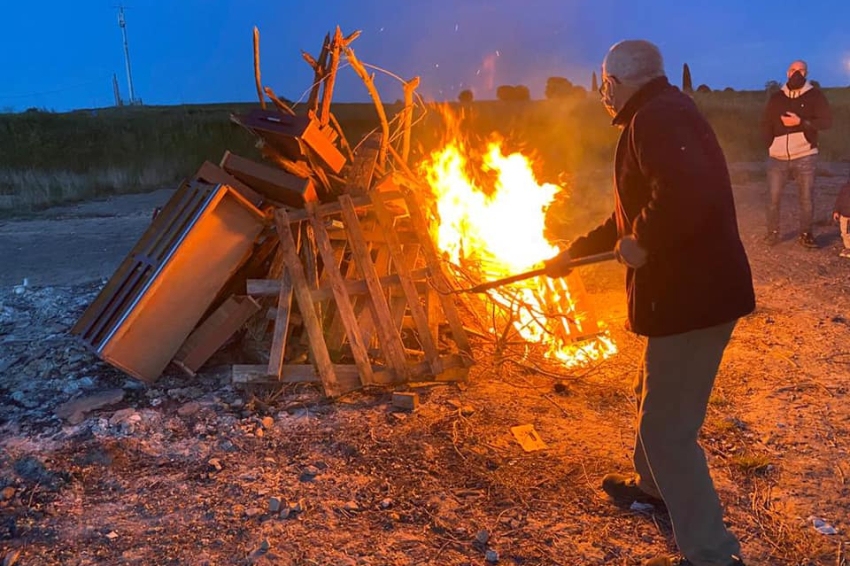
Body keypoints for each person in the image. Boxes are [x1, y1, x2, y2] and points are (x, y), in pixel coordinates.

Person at [543, 39, 755, 566]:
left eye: (602, 85)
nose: (601, 95)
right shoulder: (659, 112)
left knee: (668, 431)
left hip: (694, 300)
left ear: (613, 83)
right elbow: (632, 212)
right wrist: (573, 253)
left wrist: (646, 240)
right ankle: (653, 489)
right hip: (683, 299)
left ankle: (712, 553)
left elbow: (687, 189)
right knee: (650, 390)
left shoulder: (658, 118)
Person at [761, 60, 832, 248]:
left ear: (806, 73)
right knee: (773, 197)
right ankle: (772, 233)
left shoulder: (815, 96)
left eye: (800, 70)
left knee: (806, 199)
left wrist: (801, 122)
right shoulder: (777, 98)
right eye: (793, 70)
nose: (796, 73)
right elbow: (766, 123)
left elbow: (826, 122)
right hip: (777, 157)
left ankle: (806, 234)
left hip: (805, 154)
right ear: (787, 73)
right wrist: (769, 145)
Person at [833, 178, 850, 258]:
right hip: (844, 215)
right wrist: (836, 211)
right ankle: (848, 248)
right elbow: (839, 200)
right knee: (844, 233)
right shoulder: (844, 188)